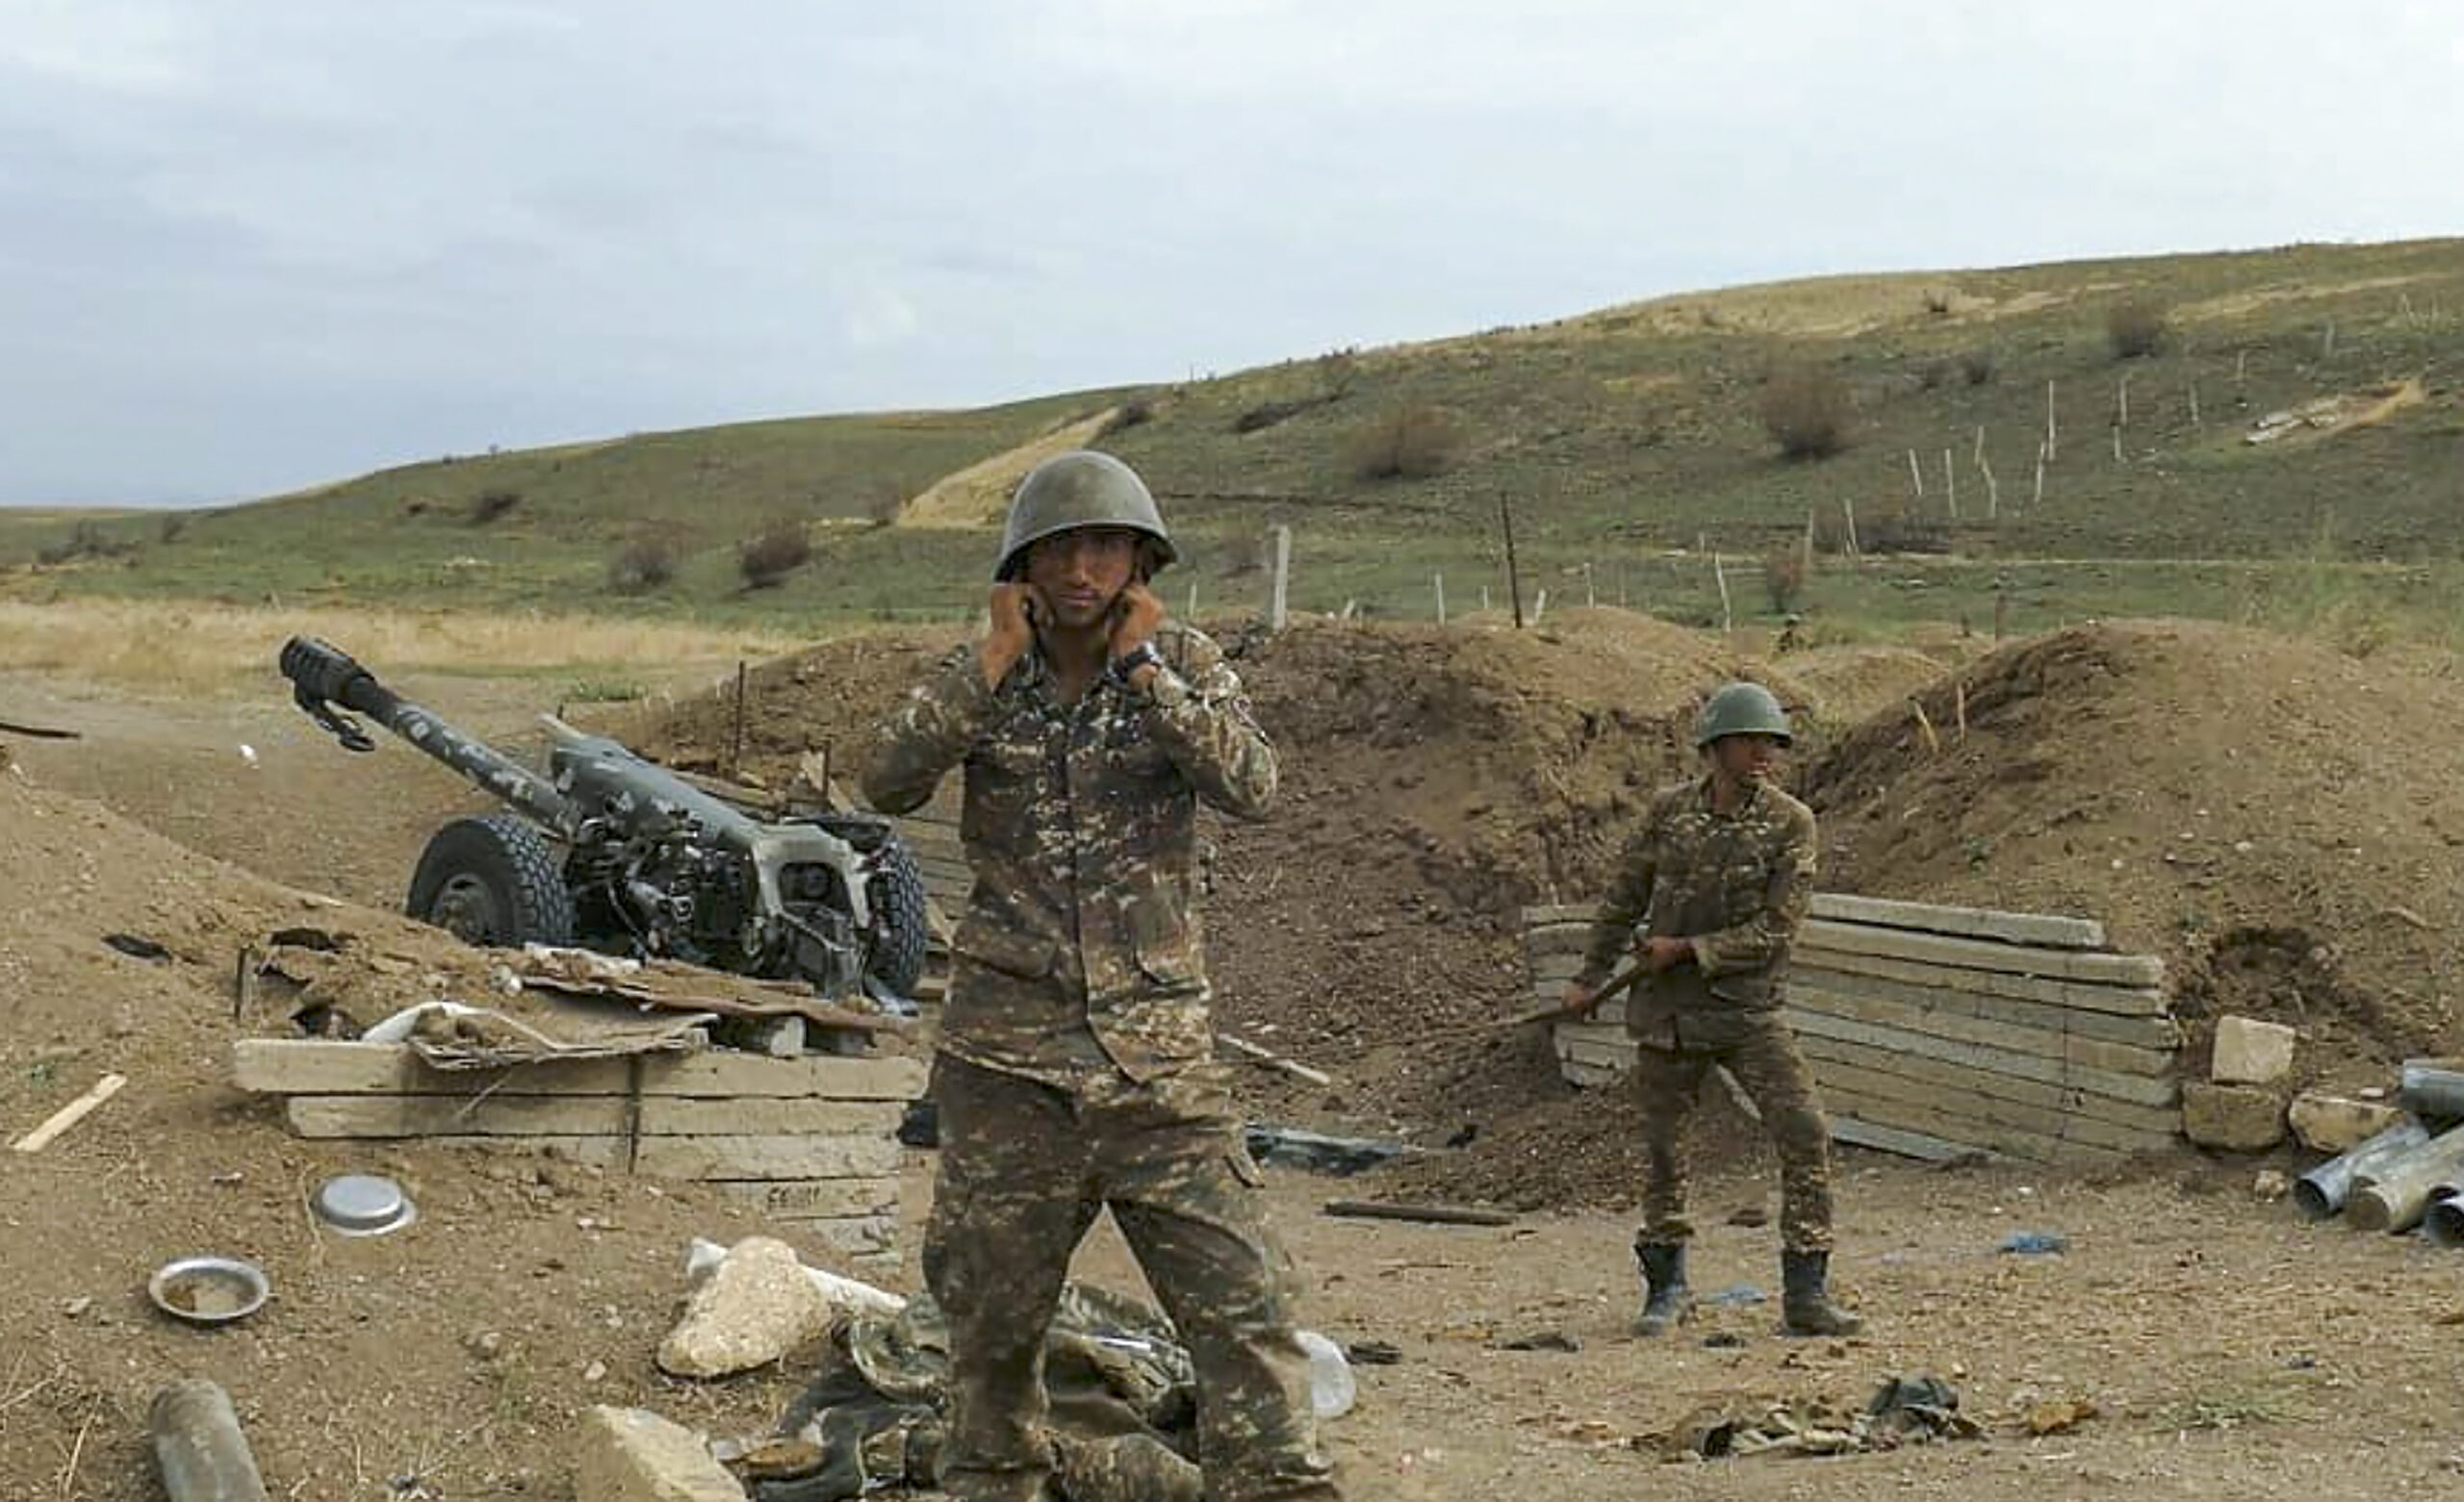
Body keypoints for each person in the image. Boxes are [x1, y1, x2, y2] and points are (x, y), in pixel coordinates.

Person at [863, 450, 1341, 1502]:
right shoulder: (982, 675)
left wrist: (1147, 676)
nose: (1083, 567)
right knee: (990, 1329)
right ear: (1023, 562)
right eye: (1062, 546)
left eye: (1106, 545)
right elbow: (885, 778)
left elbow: (1252, 783)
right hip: (1008, 1062)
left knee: (1245, 1312)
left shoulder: (1185, 663)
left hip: (1157, 1066)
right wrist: (986, 662)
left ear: (1138, 561)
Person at [1560, 680, 1861, 1339]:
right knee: (1666, 1150)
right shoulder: (1668, 813)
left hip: (1749, 1011)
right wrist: (1588, 977)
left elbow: (1778, 928)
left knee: (1805, 1132)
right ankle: (1667, 1289)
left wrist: (1689, 948)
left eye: (1772, 743)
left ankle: (1806, 1292)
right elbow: (1620, 899)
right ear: (1716, 746)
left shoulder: (1790, 822)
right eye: (1752, 740)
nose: (1765, 753)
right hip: (1669, 1013)